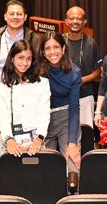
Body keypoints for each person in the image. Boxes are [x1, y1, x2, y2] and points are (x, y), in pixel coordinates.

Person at [0, 39, 51, 176]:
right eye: (20, 58)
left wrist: (39, 139)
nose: (25, 63)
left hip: (36, 141)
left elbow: (44, 113)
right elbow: (3, 116)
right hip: (10, 141)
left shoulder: (43, 83)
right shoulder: (1, 88)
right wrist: (9, 140)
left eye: (29, 58)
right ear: (12, 58)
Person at [0, 0, 41, 121]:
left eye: (19, 14)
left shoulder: (35, 40)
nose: (15, 17)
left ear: (25, 17)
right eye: (11, 14)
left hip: (26, 102)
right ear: (5, 16)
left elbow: (39, 70)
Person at [38, 32, 82, 173]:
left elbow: (74, 109)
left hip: (66, 118)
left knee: (73, 165)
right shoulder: (36, 71)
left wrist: (72, 142)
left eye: (56, 47)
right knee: (44, 168)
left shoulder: (75, 72)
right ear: (43, 52)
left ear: (63, 49)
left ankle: (72, 195)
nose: (52, 52)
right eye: (48, 48)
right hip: (43, 121)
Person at [63, 6, 101, 127]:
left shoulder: (91, 43)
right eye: (72, 18)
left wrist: (83, 80)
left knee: (85, 134)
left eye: (79, 19)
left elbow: (98, 71)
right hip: (62, 96)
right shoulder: (59, 42)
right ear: (66, 21)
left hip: (85, 95)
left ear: (84, 22)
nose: (75, 21)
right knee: (64, 133)